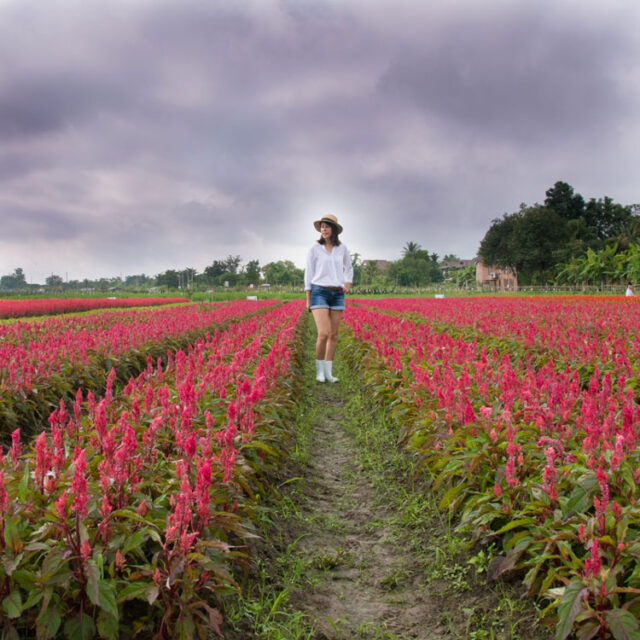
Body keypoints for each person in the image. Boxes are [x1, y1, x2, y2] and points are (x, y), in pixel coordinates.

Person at [304, 214, 353, 383]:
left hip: (337, 293)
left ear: (334, 230)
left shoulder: (342, 248)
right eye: (322, 226)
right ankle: (319, 372)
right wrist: (308, 298)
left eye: (327, 226)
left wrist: (348, 283)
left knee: (333, 334)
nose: (324, 229)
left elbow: (349, 267)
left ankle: (329, 373)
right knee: (323, 334)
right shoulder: (315, 248)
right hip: (319, 292)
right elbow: (308, 273)